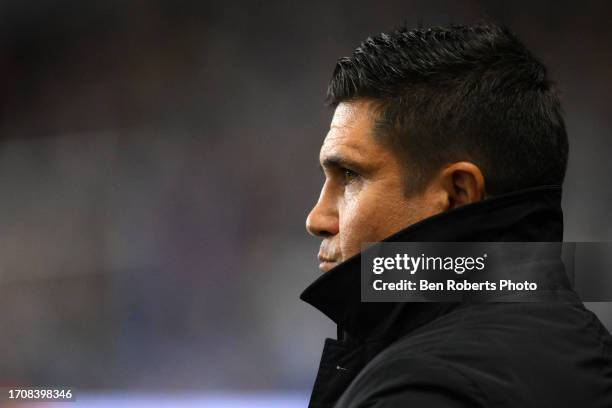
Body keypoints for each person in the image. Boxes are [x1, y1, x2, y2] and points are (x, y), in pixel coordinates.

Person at [301, 22, 612, 407]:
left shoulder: (420, 391)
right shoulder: (586, 349)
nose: (316, 219)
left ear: (457, 192)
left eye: (350, 175)